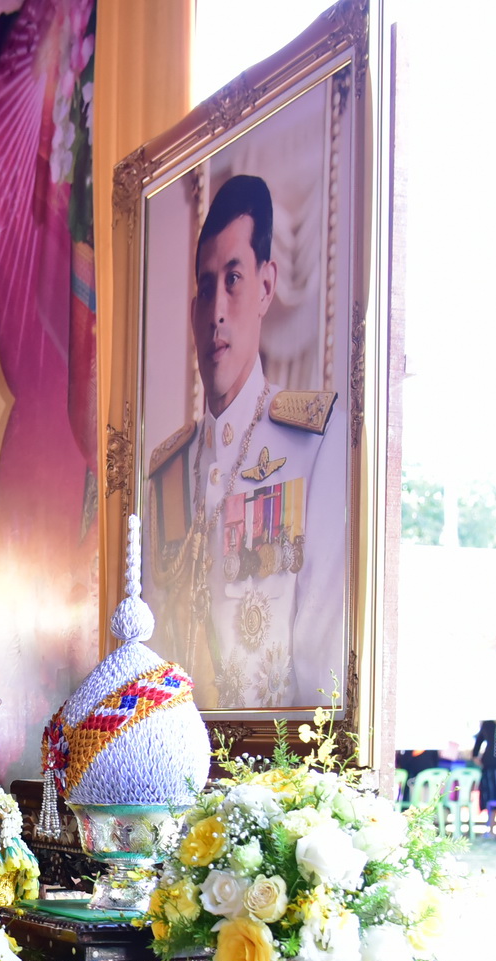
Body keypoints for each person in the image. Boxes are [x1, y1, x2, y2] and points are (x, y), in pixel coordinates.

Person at [177, 175, 347, 709]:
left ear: (267, 286)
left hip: (273, 760)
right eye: (207, 287)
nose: (217, 311)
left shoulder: (315, 444)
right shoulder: (168, 471)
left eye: (234, 279)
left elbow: (322, 673)